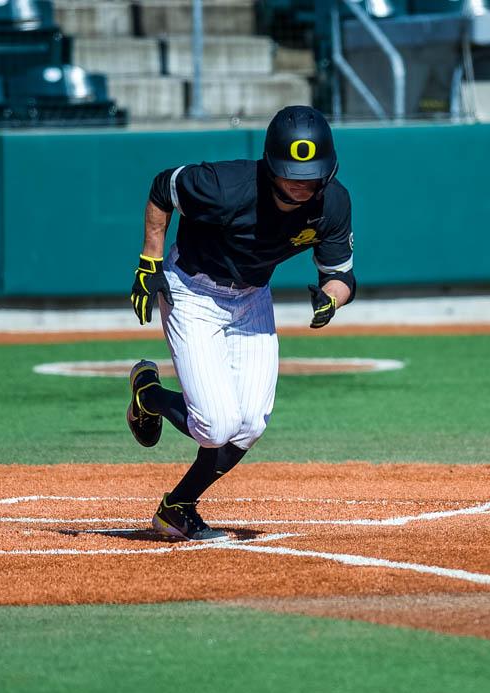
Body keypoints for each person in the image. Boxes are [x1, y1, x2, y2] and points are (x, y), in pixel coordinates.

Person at [126, 105, 355, 540]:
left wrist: (330, 300)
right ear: (270, 167)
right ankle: (148, 394)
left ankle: (177, 508)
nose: (301, 186)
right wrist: (148, 261)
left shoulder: (333, 204)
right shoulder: (223, 186)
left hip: (252, 298)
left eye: (311, 177)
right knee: (215, 425)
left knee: (250, 424)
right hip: (193, 291)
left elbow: (340, 275)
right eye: (291, 174)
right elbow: (162, 189)